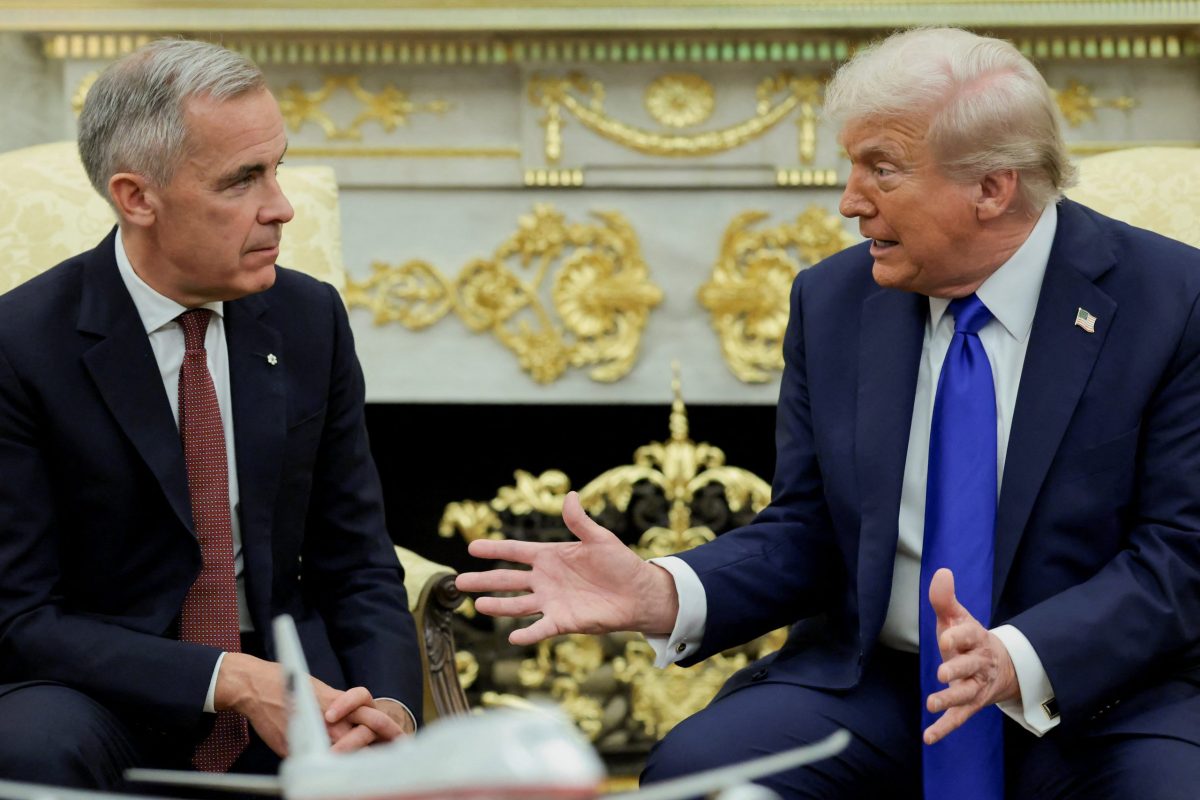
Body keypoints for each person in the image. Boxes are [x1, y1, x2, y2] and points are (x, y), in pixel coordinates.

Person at [458, 27, 1200, 799]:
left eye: (882, 170)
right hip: (881, 682)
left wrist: (1017, 656)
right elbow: (810, 528)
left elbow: (1181, 553)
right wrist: (663, 591)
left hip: (1100, 695)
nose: (850, 201)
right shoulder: (835, 300)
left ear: (992, 187)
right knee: (698, 775)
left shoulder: (1173, 303)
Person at [0, 39, 422, 787]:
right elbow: (21, 616)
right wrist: (227, 678)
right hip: (101, 685)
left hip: (288, 677)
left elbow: (357, 560)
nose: (281, 207)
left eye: (277, 168)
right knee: (32, 748)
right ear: (137, 198)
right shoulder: (22, 345)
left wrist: (390, 709)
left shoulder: (309, 319)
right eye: (242, 180)